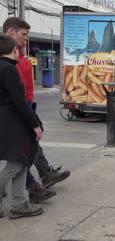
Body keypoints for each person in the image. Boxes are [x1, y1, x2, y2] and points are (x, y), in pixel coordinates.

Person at [2, 17, 70, 202]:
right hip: (14, 113)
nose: (25, 40)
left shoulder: (19, 58)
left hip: (24, 110)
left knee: (27, 152)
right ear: (11, 32)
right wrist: (31, 120)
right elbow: (15, 96)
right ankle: (32, 188)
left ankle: (28, 191)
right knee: (19, 159)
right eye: (23, 35)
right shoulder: (6, 64)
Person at [0, 34, 44, 219]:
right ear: (14, 50)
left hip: (7, 122)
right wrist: (35, 125)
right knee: (17, 162)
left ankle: (18, 203)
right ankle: (17, 202)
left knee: (24, 161)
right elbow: (20, 101)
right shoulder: (9, 69)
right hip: (14, 122)